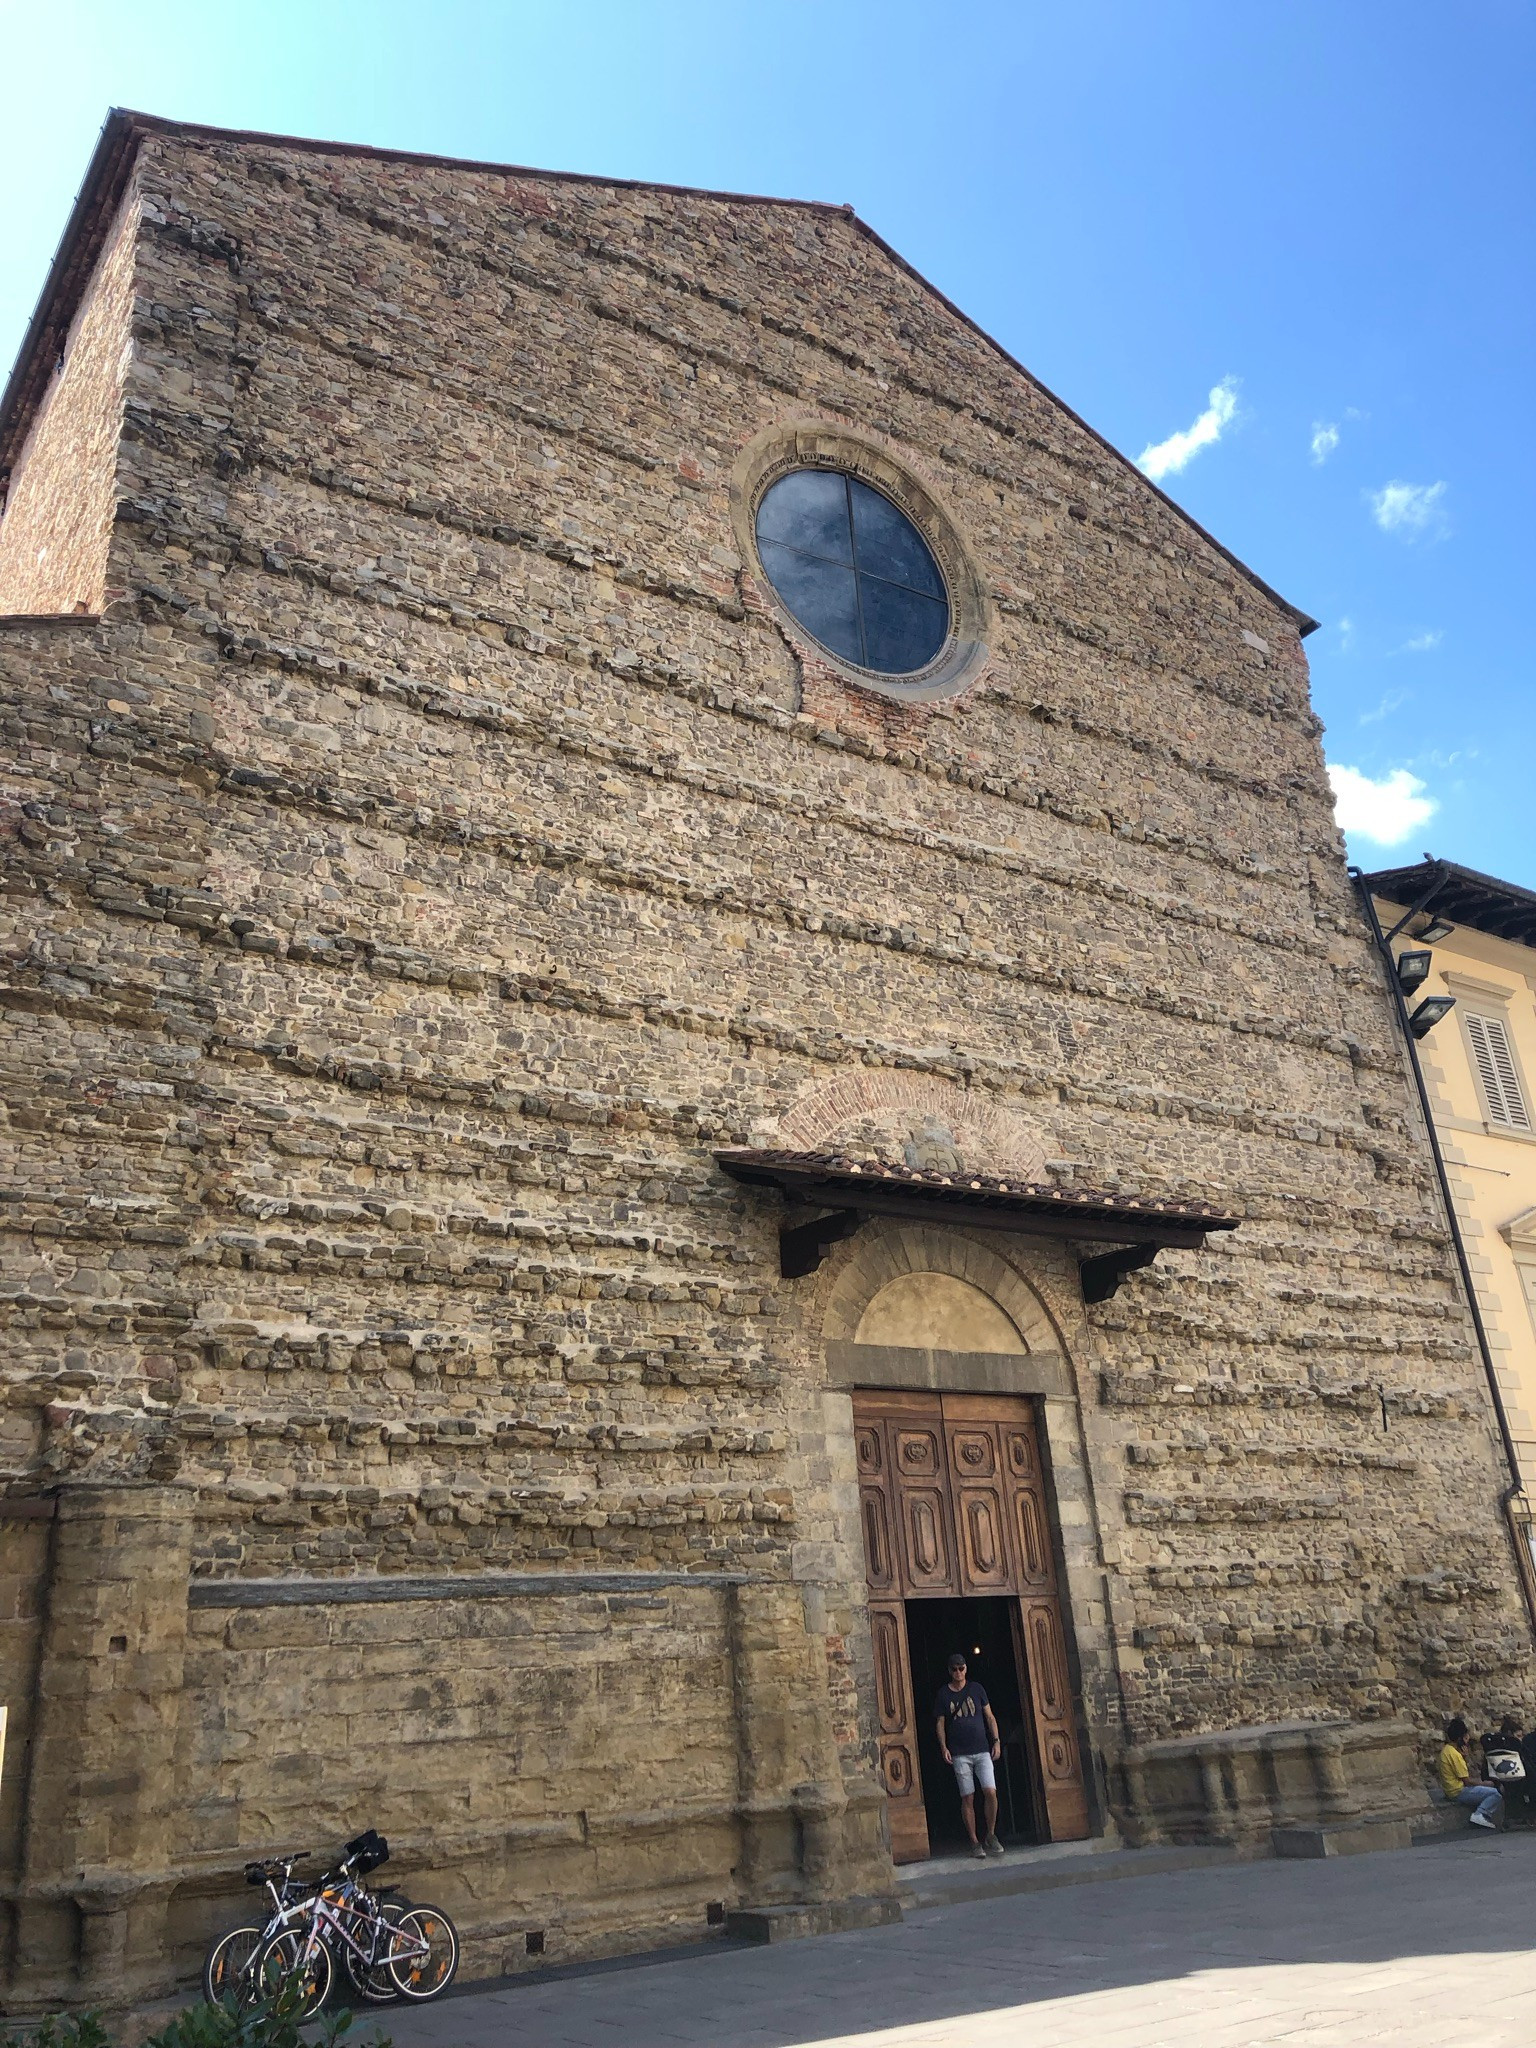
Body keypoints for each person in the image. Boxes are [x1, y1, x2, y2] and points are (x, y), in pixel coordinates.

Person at [934, 1652, 1004, 1860]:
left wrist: (997, 1741)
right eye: (954, 1669)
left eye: (961, 1668)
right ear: (949, 1671)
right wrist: (943, 1747)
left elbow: (989, 1716)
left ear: (966, 1669)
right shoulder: (943, 1695)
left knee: (990, 1791)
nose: (958, 1672)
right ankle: (974, 1841)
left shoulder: (976, 1689)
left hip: (982, 1749)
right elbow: (940, 1723)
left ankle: (990, 1834)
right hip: (959, 1753)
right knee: (968, 1797)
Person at [1439, 1716, 1503, 1830]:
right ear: (1461, 1738)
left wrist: (1464, 1757)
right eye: (1466, 1737)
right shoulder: (1455, 1755)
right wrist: (1485, 1783)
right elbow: (1467, 1781)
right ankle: (1481, 1814)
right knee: (1495, 1793)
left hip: (1450, 1790)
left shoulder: (1446, 1750)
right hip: (1458, 1791)